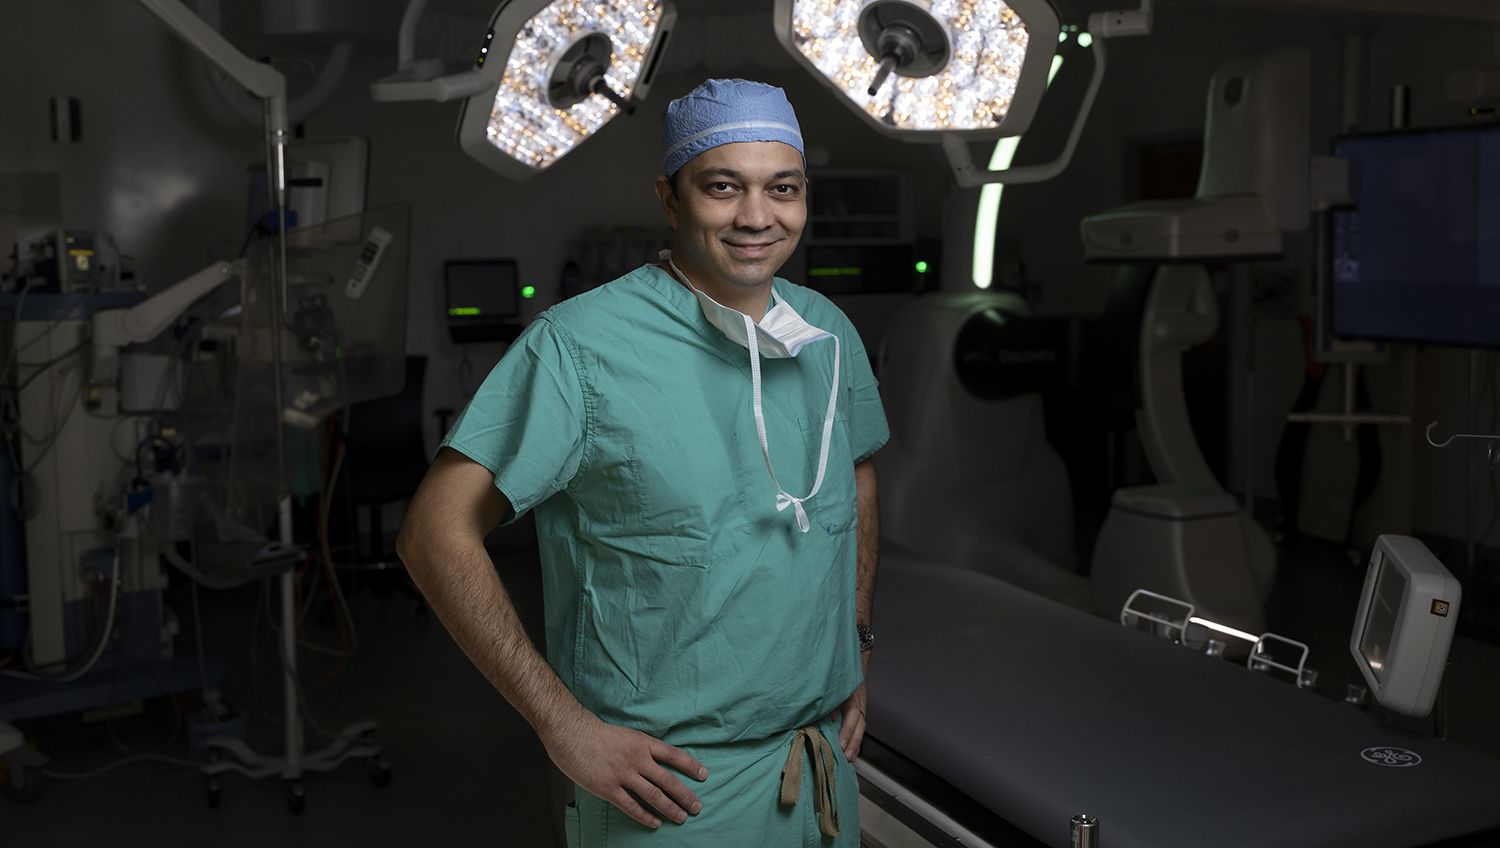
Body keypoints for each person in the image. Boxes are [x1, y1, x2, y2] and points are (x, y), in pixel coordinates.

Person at [397, 78, 889, 846]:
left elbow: (853, 475)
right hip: (667, 793)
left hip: (819, 762)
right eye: (723, 187)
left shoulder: (826, 332)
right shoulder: (580, 348)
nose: (757, 217)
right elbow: (434, 531)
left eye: (782, 189)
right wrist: (562, 726)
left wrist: (853, 642)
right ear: (670, 198)